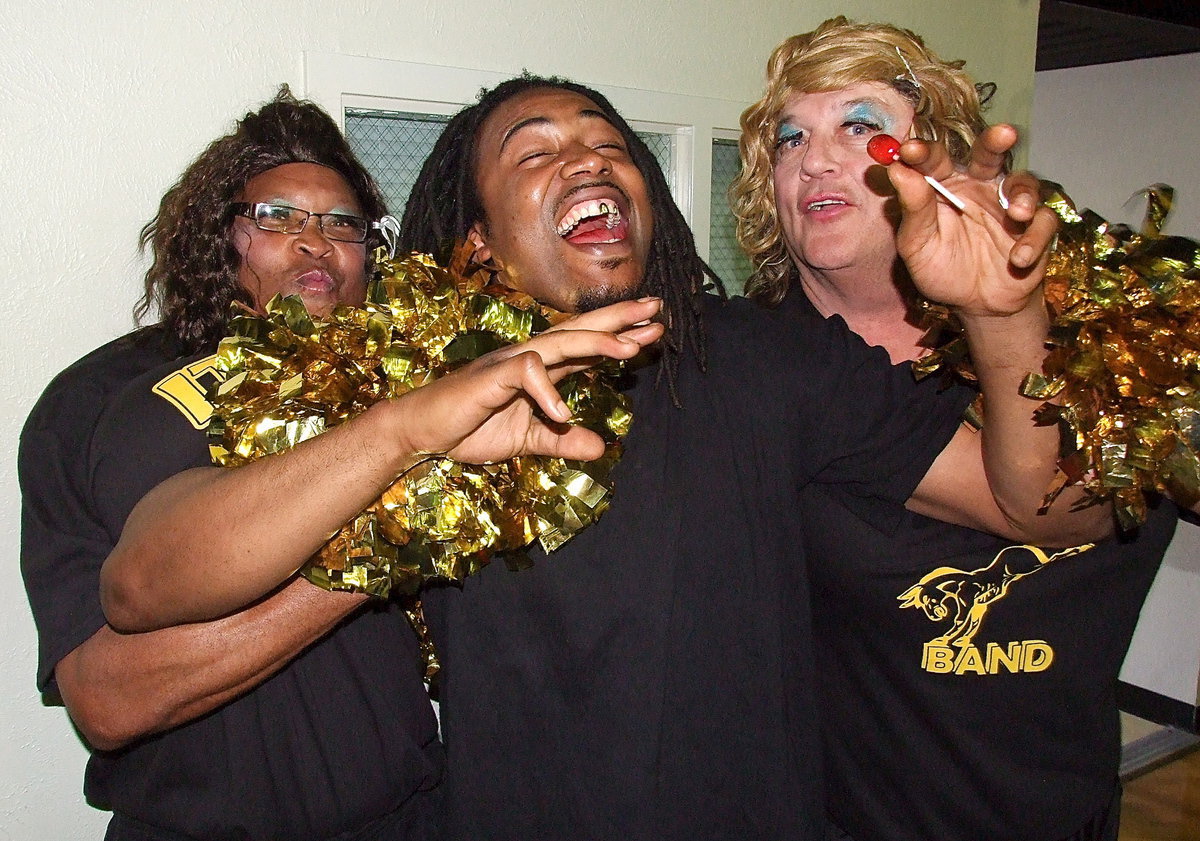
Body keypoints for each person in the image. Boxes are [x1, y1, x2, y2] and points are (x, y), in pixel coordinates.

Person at [99, 74, 1104, 841]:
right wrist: (411, 433)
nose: (586, 160)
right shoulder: (406, 385)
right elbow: (144, 583)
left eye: (607, 144)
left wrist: (1003, 320)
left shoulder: (761, 355)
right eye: (533, 152)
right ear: (481, 238)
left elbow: (1046, 509)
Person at [731, 17, 1178, 841]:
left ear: (936, 160)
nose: (816, 158)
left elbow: (1095, 506)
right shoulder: (749, 366)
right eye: (789, 141)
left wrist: (1002, 314)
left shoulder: (1109, 332)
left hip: (1066, 810)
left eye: (859, 126)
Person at [18, 87, 448, 840]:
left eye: (342, 223)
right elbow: (104, 699)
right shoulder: (100, 401)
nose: (316, 242)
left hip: (407, 819)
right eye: (278, 216)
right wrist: (386, 542)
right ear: (221, 236)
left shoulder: (404, 383)